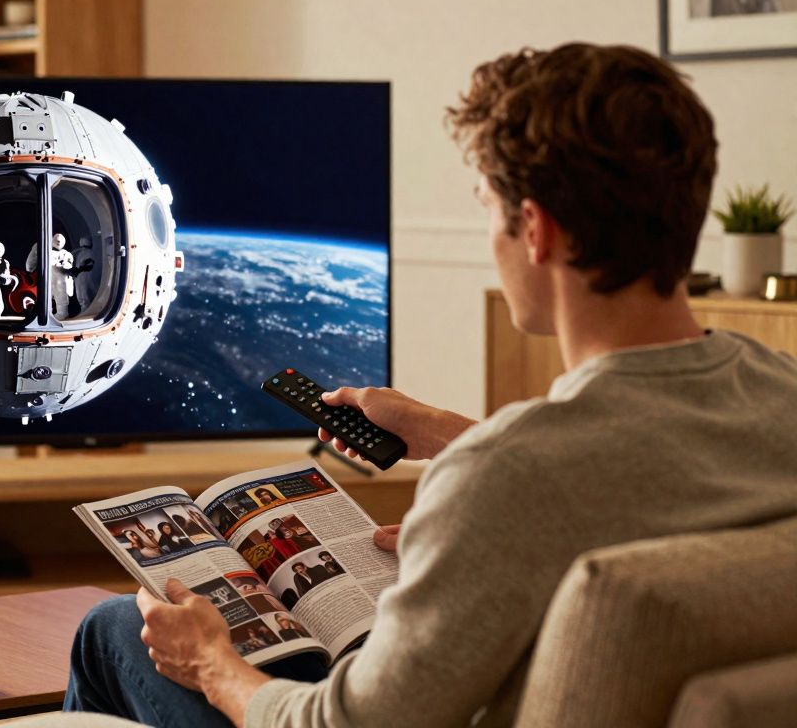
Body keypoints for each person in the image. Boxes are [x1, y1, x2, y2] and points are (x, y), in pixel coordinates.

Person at [58, 43, 797, 728]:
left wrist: (214, 665)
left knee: (115, 627)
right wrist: (448, 433)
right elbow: (646, 477)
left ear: (535, 231)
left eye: (487, 207)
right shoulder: (779, 390)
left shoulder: (501, 481)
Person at [49, 232, 75, 319]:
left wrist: (63, 265)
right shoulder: (48, 252)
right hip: (50, 278)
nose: (58, 242)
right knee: (49, 296)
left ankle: (62, 313)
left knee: (60, 295)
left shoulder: (66, 254)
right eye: (57, 240)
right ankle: (49, 313)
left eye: (60, 241)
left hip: (60, 279)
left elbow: (69, 266)